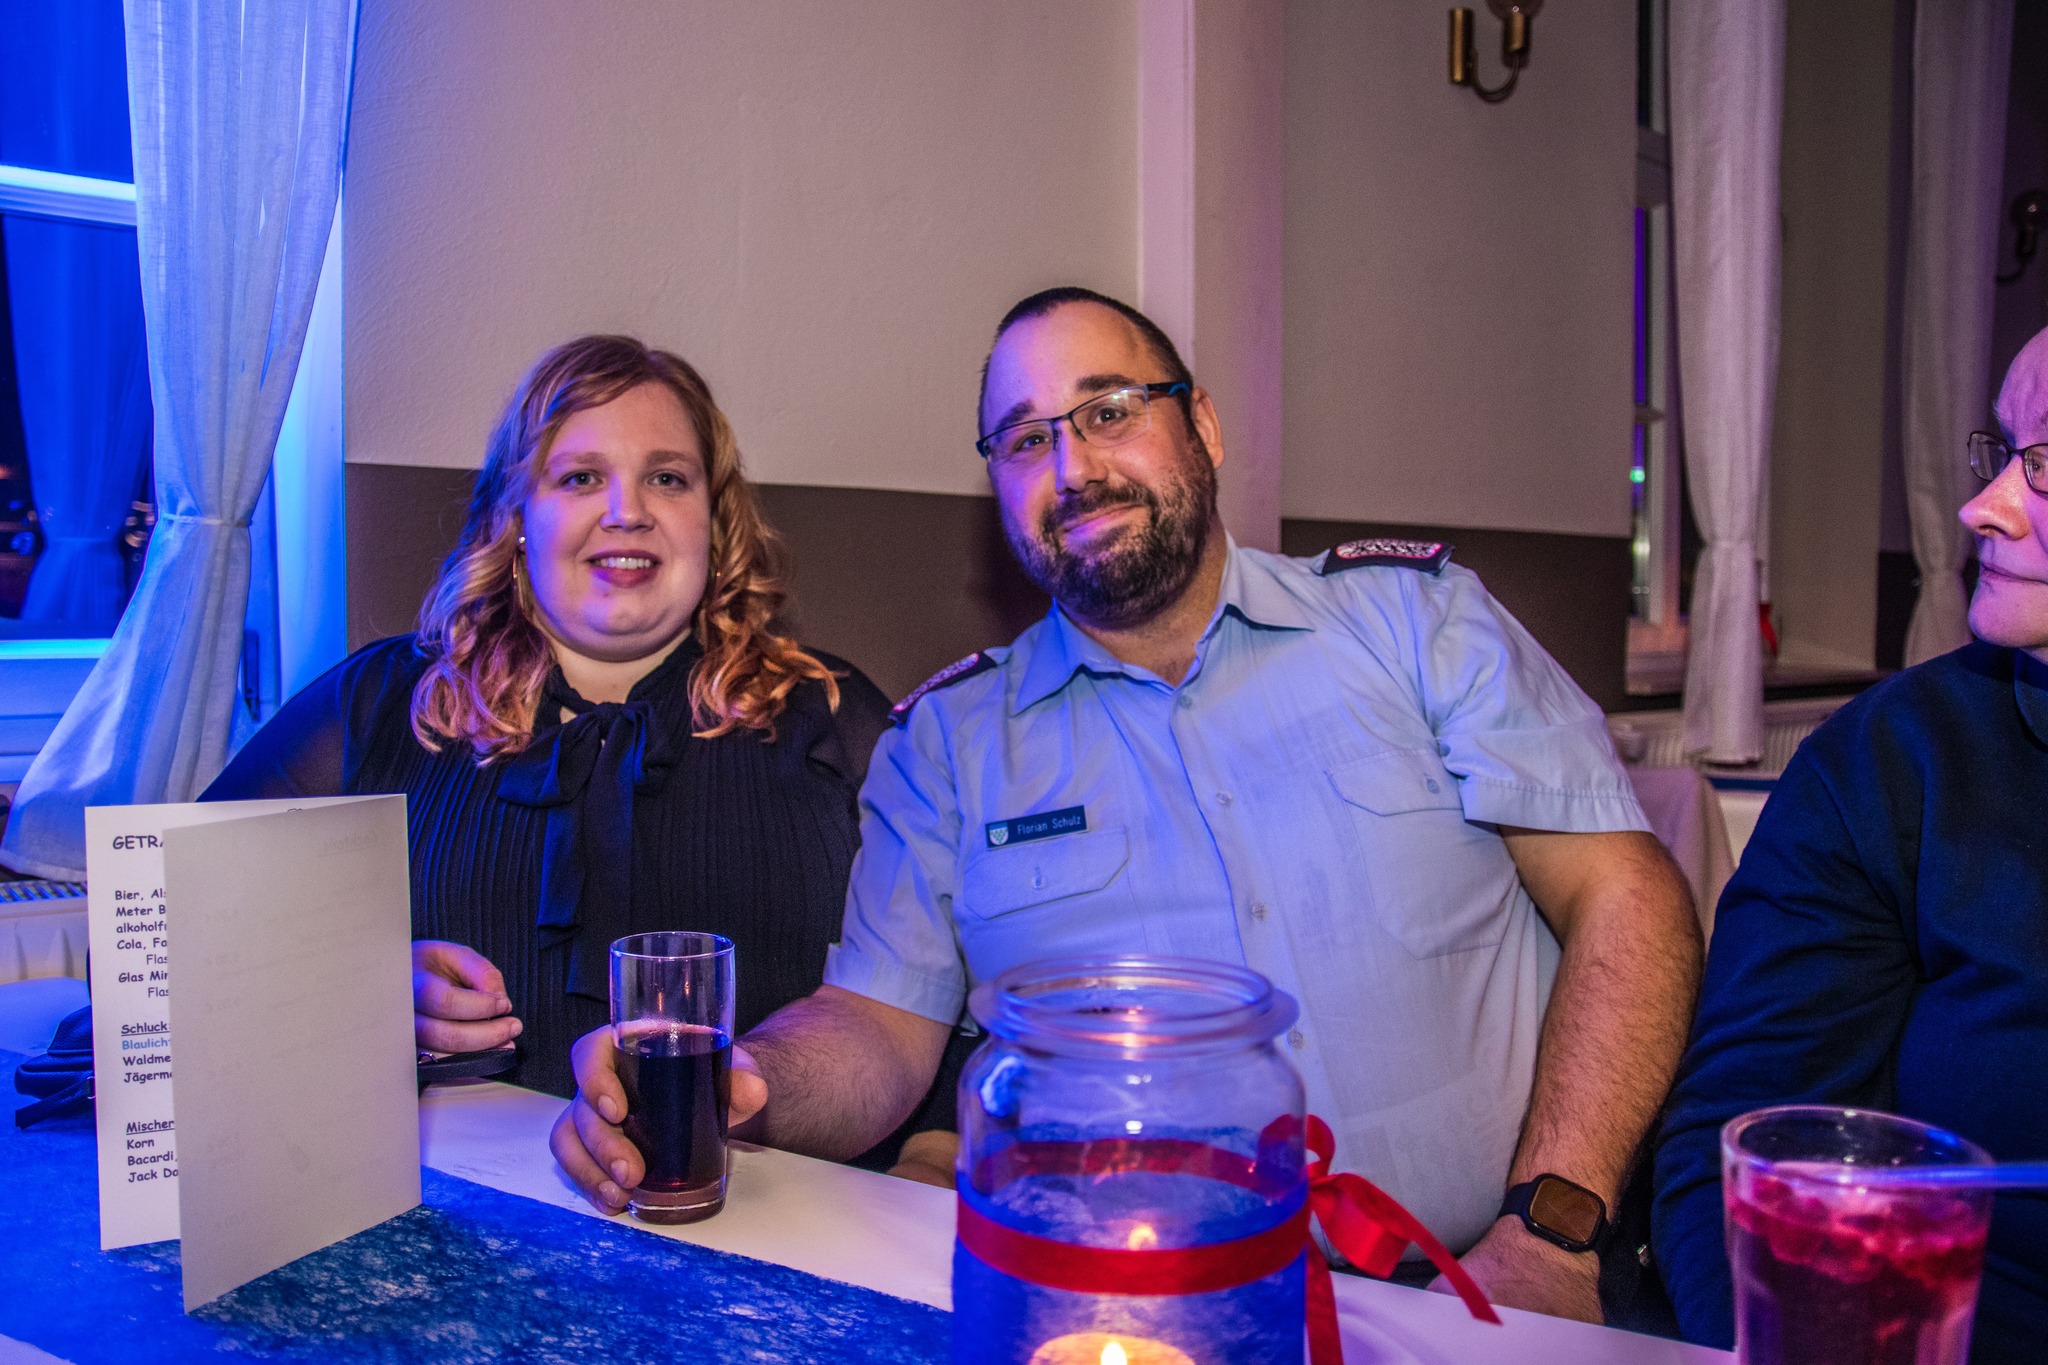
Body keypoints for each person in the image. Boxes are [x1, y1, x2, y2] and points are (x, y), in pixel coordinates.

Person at [553, 289, 1702, 1323]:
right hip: (1132, 1321)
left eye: (1108, 411)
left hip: (1492, 1297)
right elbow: (878, 1029)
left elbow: (1623, 894)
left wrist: (1552, 1229)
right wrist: (738, 1082)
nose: (1073, 467)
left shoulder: (1415, 625)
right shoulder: (945, 744)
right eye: (1024, 440)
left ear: (1200, 426)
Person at [204, 335, 893, 1102]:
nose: (627, 512)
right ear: (519, 515)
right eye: (581, 477)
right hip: (444, 1177)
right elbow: (180, 928)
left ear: (714, 518)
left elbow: (935, 1007)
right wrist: (353, 990)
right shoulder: (383, 702)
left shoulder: (834, 717)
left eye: (667, 478)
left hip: (762, 1177)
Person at [1652, 328, 2048, 1361]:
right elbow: (1741, 1147)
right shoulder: (1895, 760)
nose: (1984, 507)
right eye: (2006, 450)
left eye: (2047, 466)